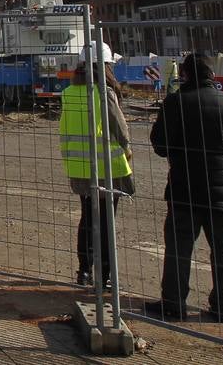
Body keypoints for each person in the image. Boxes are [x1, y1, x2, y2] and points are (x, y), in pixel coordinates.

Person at [147, 53, 223, 322]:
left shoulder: (176, 103)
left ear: (185, 74)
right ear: (213, 75)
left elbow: (160, 145)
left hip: (185, 189)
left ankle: (174, 303)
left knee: (179, 248)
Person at [59, 55, 133, 289]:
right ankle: (106, 276)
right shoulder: (104, 93)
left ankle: (84, 272)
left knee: (87, 219)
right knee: (106, 222)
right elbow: (121, 130)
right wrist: (127, 149)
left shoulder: (68, 94)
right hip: (107, 169)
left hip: (79, 168)